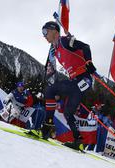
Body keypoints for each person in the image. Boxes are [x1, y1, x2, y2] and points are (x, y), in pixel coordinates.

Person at [41, 21, 97, 150]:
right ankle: (78, 141)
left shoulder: (65, 41)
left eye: (45, 32)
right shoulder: (55, 50)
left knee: (50, 90)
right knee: (68, 112)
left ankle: (46, 127)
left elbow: (85, 47)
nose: (44, 35)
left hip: (83, 78)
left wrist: (88, 61)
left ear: (54, 31)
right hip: (78, 82)